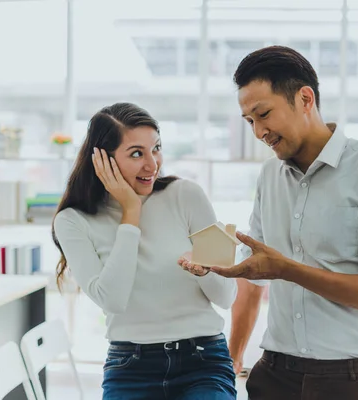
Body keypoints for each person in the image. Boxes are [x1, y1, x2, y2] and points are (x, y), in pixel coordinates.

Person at [210, 45, 358, 400]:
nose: (259, 131)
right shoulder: (269, 176)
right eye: (250, 122)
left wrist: (287, 269)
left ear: (305, 99)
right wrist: (231, 360)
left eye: (264, 114)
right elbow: (255, 276)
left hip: (353, 378)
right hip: (273, 375)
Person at [52, 102, 238, 400]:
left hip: (202, 361)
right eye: (137, 153)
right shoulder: (73, 221)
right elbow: (113, 299)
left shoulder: (186, 195)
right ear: (102, 159)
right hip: (130, 368)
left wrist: (205, 271)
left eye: (156, 148)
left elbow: (226, 297)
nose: (153, 164)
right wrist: (131, 211)